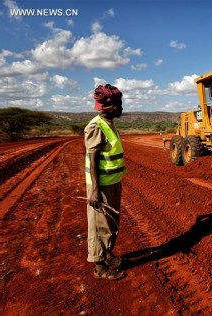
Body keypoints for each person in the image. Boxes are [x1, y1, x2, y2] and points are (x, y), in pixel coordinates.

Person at [84, 84, 126, 280]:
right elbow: (92, 160)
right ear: (112, 107)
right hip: (100, 185)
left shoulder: (109, 122)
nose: (122, 108)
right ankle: (100, 268)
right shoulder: (96, 126)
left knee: (110, 222)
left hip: (112, 182)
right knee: (99, 225)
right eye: (119, 104)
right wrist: (94, 190)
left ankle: (108, 255)